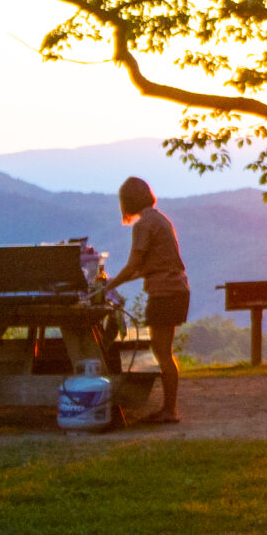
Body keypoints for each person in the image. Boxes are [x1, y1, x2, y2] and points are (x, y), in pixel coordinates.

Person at [111, 176, 189, 423]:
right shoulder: (159, 219)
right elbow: (145, 267)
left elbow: (133, 265)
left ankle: (170, 410)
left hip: (165, 293)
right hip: (176, 289)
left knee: (162, 352)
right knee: (163, 351)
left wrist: (107, 287)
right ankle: (169, 408)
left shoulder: (143, 225)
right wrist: (115, 281)